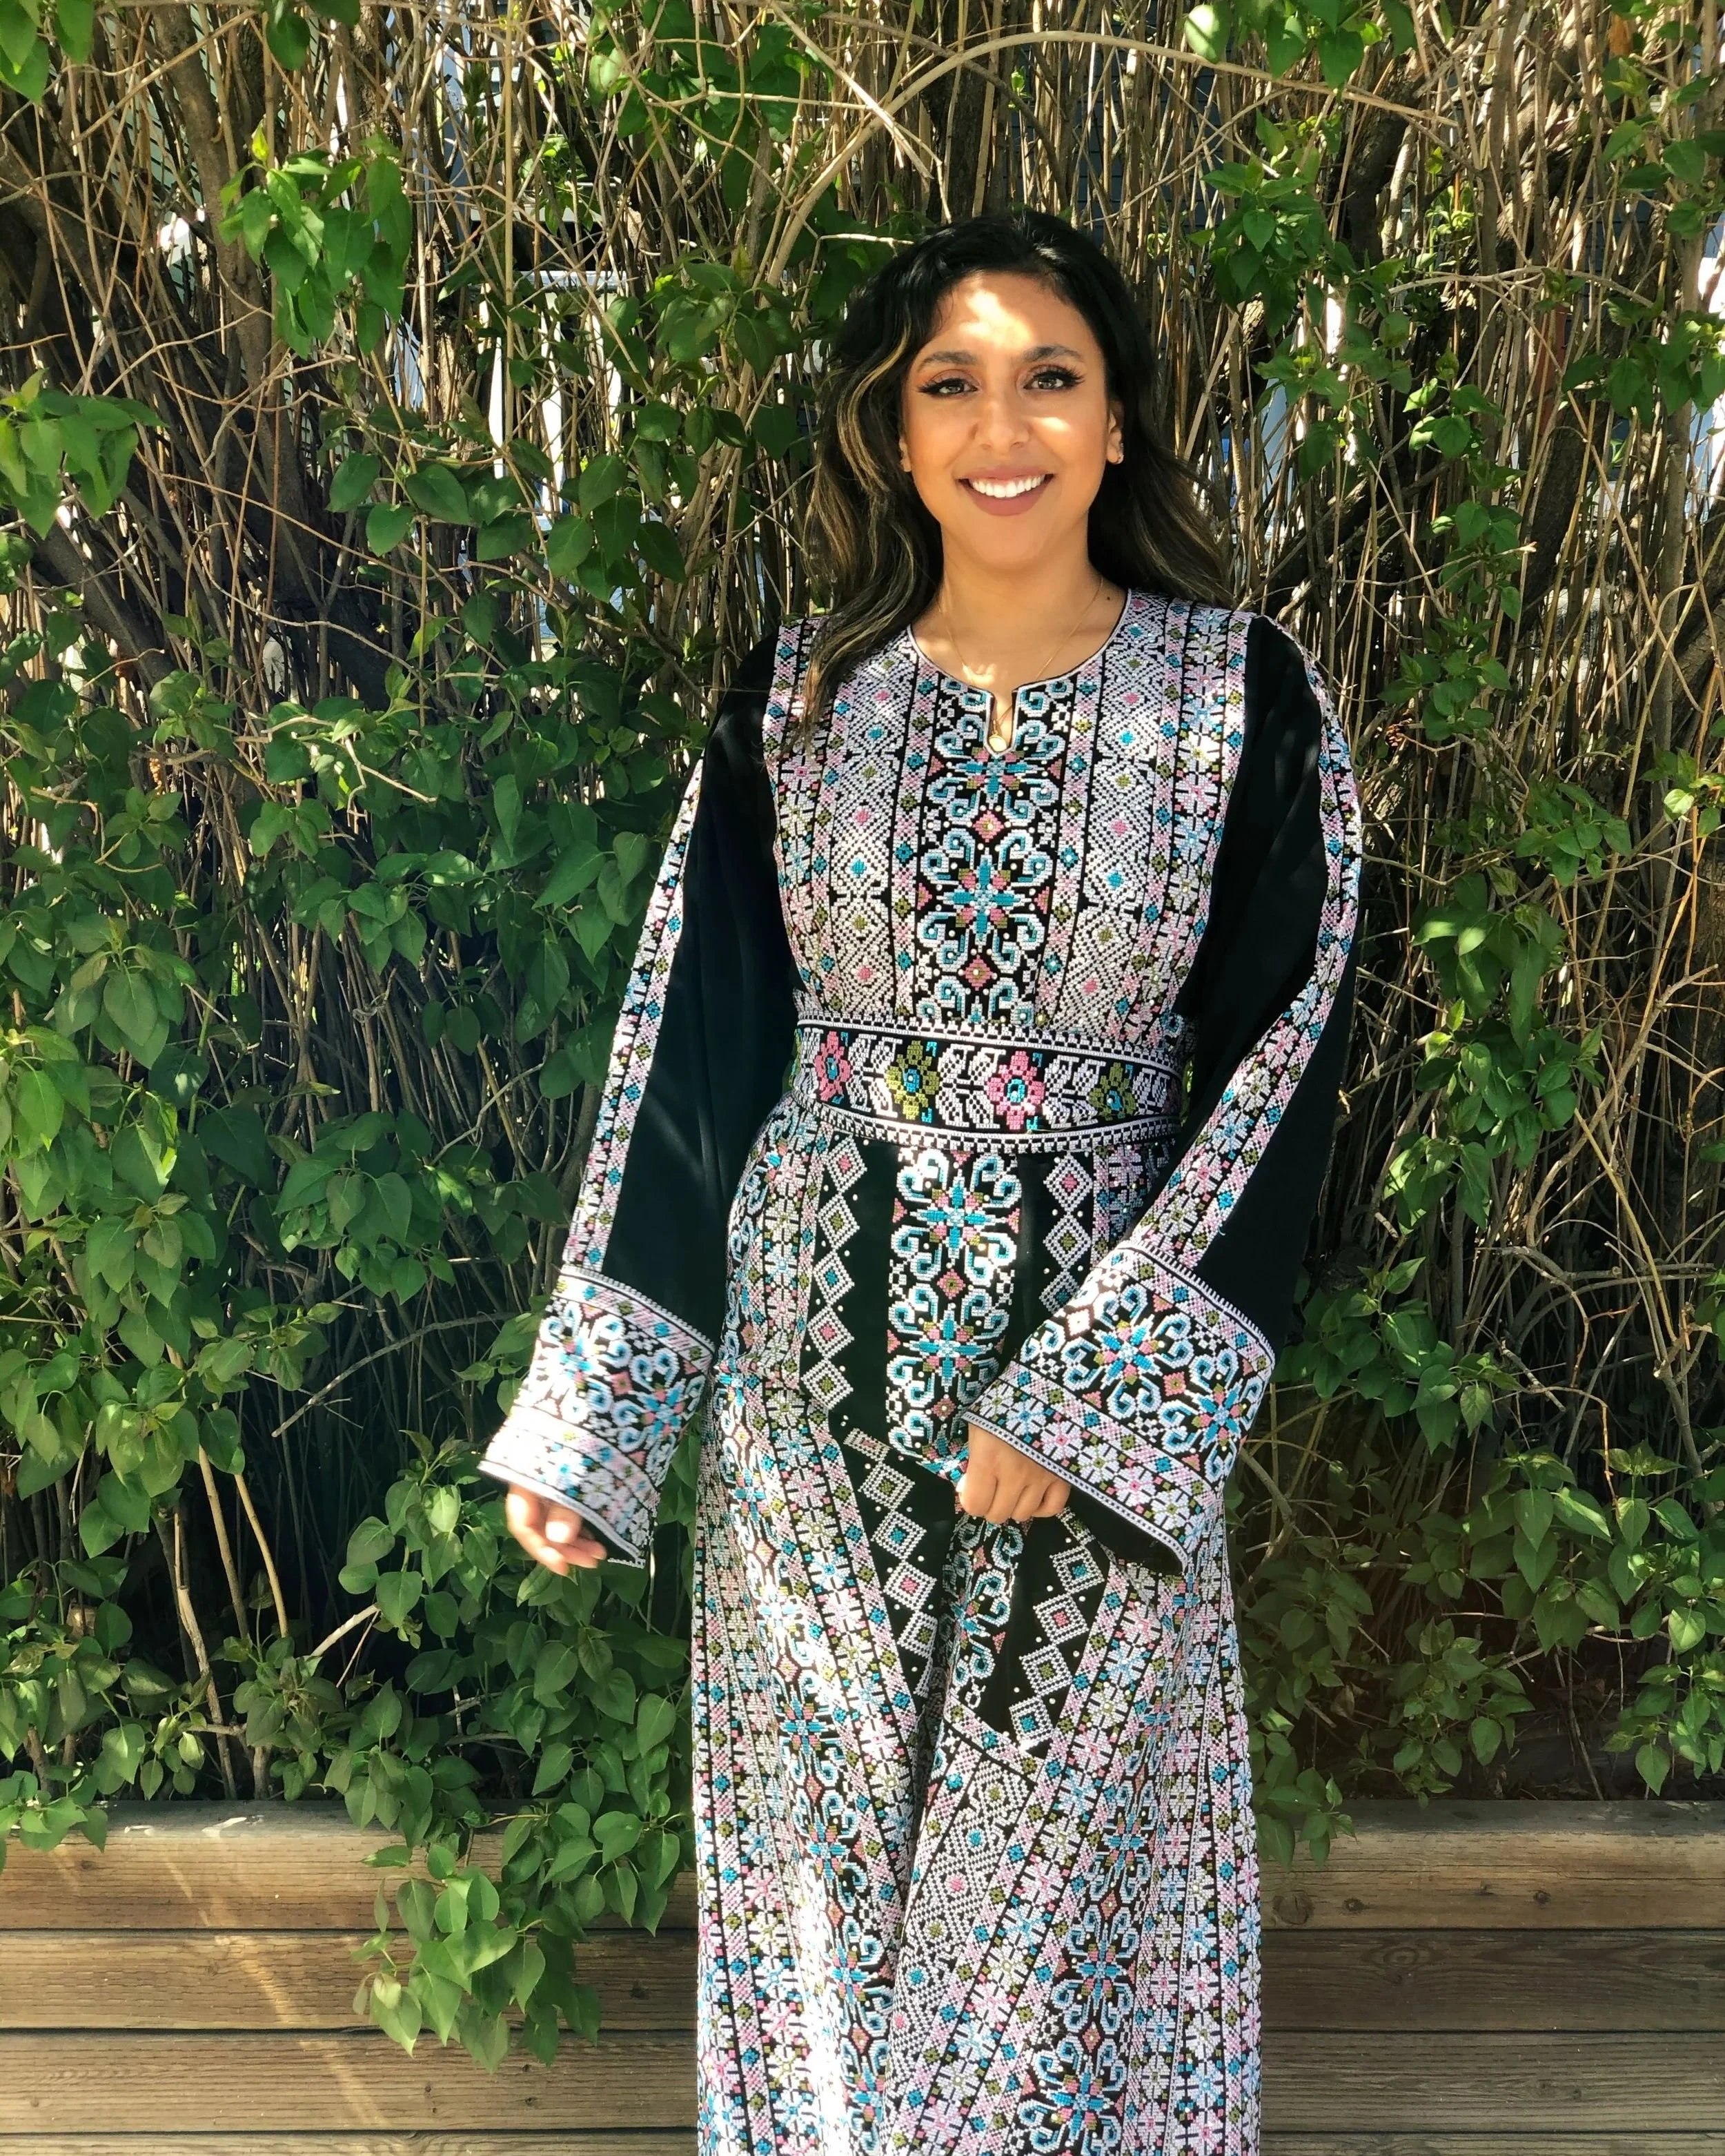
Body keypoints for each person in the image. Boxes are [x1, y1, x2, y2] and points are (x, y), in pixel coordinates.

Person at [482, 209, 1361, 2156]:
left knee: (1066, 1887)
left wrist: (1100, 1392)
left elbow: (1279, 1053)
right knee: (821, 1878)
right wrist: (603, 1416)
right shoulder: (798, 700)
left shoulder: (1241, 701)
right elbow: (692, 1042)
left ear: (1118, 420)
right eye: (949, 383)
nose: (1001, 424)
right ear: (893, 432)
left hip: (1096, 1354)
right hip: (814, 1378)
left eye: (1049, 376)